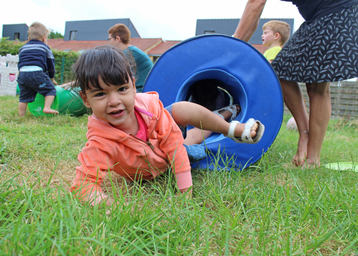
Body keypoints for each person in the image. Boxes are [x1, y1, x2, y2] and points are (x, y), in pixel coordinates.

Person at [70, 45, 265, 207]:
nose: (114, 101)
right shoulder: (101, 142)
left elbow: (173, 145)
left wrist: (184, 192)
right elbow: (83, 184)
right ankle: (228, 112)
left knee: (181, 110)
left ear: (133, 86)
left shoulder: (151, 108)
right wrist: (107, 207)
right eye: (100, 94)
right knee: (195, 137)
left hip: (167, 136)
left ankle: (231, 129)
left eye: (122, 89)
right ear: (86, 99)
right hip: (160, 161)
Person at [233, 0, 358, 168]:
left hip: (336, 10)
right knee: (279, 71)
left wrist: (232, 47)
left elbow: (256, 2)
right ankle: (304, 133)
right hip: (316, 18)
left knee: (317, 85)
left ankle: (312, 159)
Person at [17, 22, 58, 116]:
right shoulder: (45, 47)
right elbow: (51, 65)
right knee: (50, 90)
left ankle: (21, 115)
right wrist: (52, 78)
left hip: (22, 74)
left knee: (23, 97)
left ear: (28, 39)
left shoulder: (22, 48)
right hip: (37, 73)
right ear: (44, 38)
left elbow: (20, 63)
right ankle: (47, 107)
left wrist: (19, 76)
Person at [107, 23, 153, 93]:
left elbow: (116, 76)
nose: (109, 42)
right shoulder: (130, 50)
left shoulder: (129, 54)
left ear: (117, 39)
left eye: (110, 39)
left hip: (144, 91)